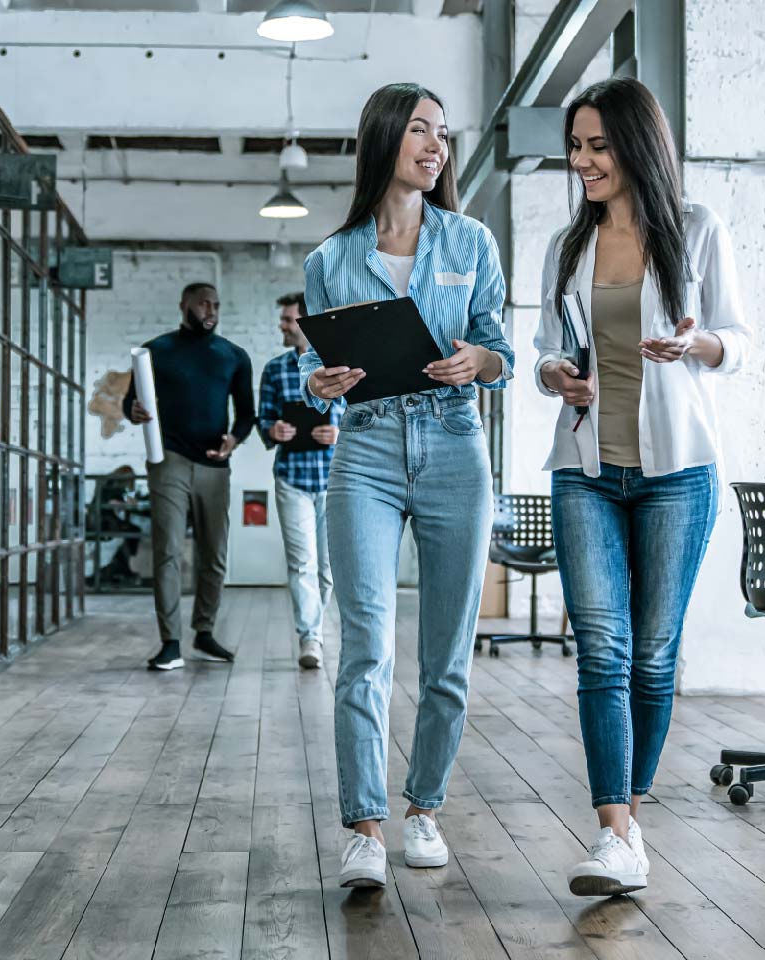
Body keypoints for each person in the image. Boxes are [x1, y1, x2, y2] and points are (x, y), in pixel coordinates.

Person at [533, 77, 750, 897]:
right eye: (576, 148)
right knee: (603, 649)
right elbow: (547, 349)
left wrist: (698, 348)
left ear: (636, 146)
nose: (584, 162)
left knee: (654, 657)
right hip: (586, 470)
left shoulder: (696, 231)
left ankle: (632, 803)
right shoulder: (568, 244)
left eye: (598, 146)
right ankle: (614, 829)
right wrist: (558, 374)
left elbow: (742, 339)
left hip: (676, 475)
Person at [299, 82, 514, 889]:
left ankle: (425, 809)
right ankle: (363, 826)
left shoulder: (471, 243)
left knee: (447, 654)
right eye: (421, 130)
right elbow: (320, 368)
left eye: (443, 134)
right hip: (368, 451)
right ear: (386, 138)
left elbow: (500, 350)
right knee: (365, 650)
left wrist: (480, 361)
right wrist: (320, 383)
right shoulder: (330, 258)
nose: (436, 146)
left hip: (456, 445)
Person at [125, 282, 254, 671]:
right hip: (170, 461)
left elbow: (247, 414)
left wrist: (234, 440)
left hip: (215, 465)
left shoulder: (234, 356)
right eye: (202, 303)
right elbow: (129, 403)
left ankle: (204, 631)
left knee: (214, 554)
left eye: (215, 304)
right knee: (167, 551)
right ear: (184, 305)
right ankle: (170, 642)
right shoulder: (155, 351)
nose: (210, 310)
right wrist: (134, 411)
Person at [257, 291, 342, 670]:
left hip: (335, 479)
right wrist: (273, 430)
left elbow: (363, 415)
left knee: (327, 569)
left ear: (306, 323)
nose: (283, 326)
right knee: (302, 562)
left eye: (288, 320)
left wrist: (339, 433)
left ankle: (316, 629)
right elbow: (263, 420)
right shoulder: (275, 370)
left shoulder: (342, 365)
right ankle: (310, 637)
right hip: (292, 478)